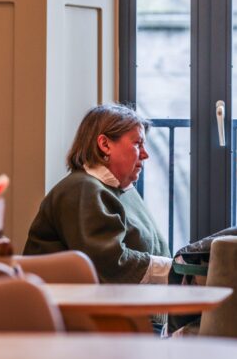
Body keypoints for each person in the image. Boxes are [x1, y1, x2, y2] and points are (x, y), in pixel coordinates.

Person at [24, 104, 172, 285]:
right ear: (105, 145)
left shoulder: (121, 190)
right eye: (137, 143)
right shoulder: (81, 190)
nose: (145, 154)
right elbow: (110, 263)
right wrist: (175, 271)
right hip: (77, 309)